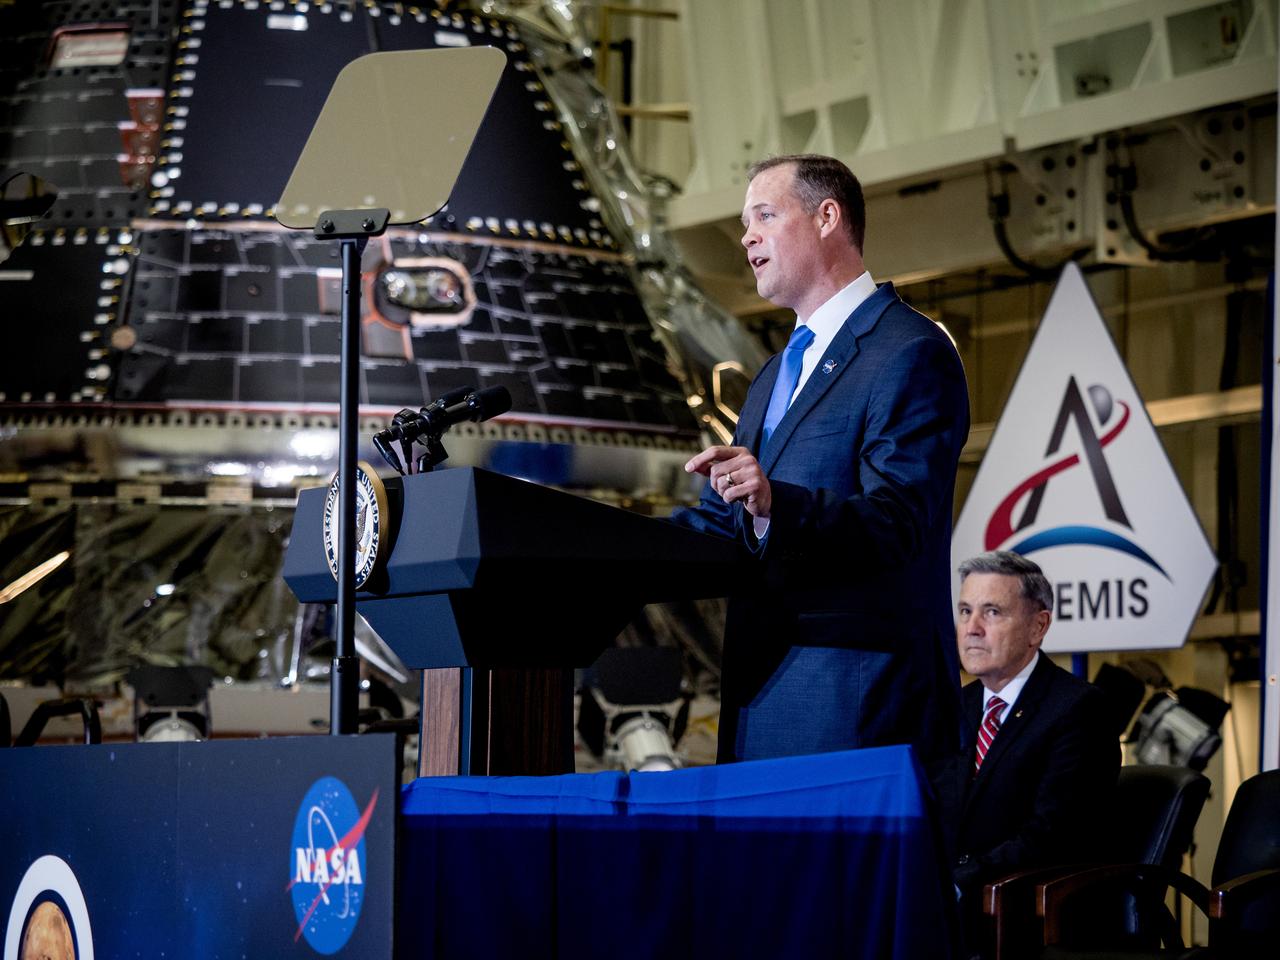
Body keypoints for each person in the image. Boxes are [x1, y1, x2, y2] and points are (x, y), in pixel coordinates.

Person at [671, 154, 970, 769]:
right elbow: (725, 523)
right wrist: (599, 545)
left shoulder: (910, 351)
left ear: (827, 217)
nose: (747, 237)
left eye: (764, 216)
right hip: (760, 702)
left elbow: (898, 521)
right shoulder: (773, 375)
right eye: (745, 223)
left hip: (856, 710)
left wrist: (776, 504)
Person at [952, 551, 1119, 957]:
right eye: (965, 611)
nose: (972, 628)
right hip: (953, 906)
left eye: (992, 612)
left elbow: (1052, 834)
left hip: (1030, 916)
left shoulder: (1078, 708)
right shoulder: (955, 707)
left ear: (1037, 626)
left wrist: (957, 879)